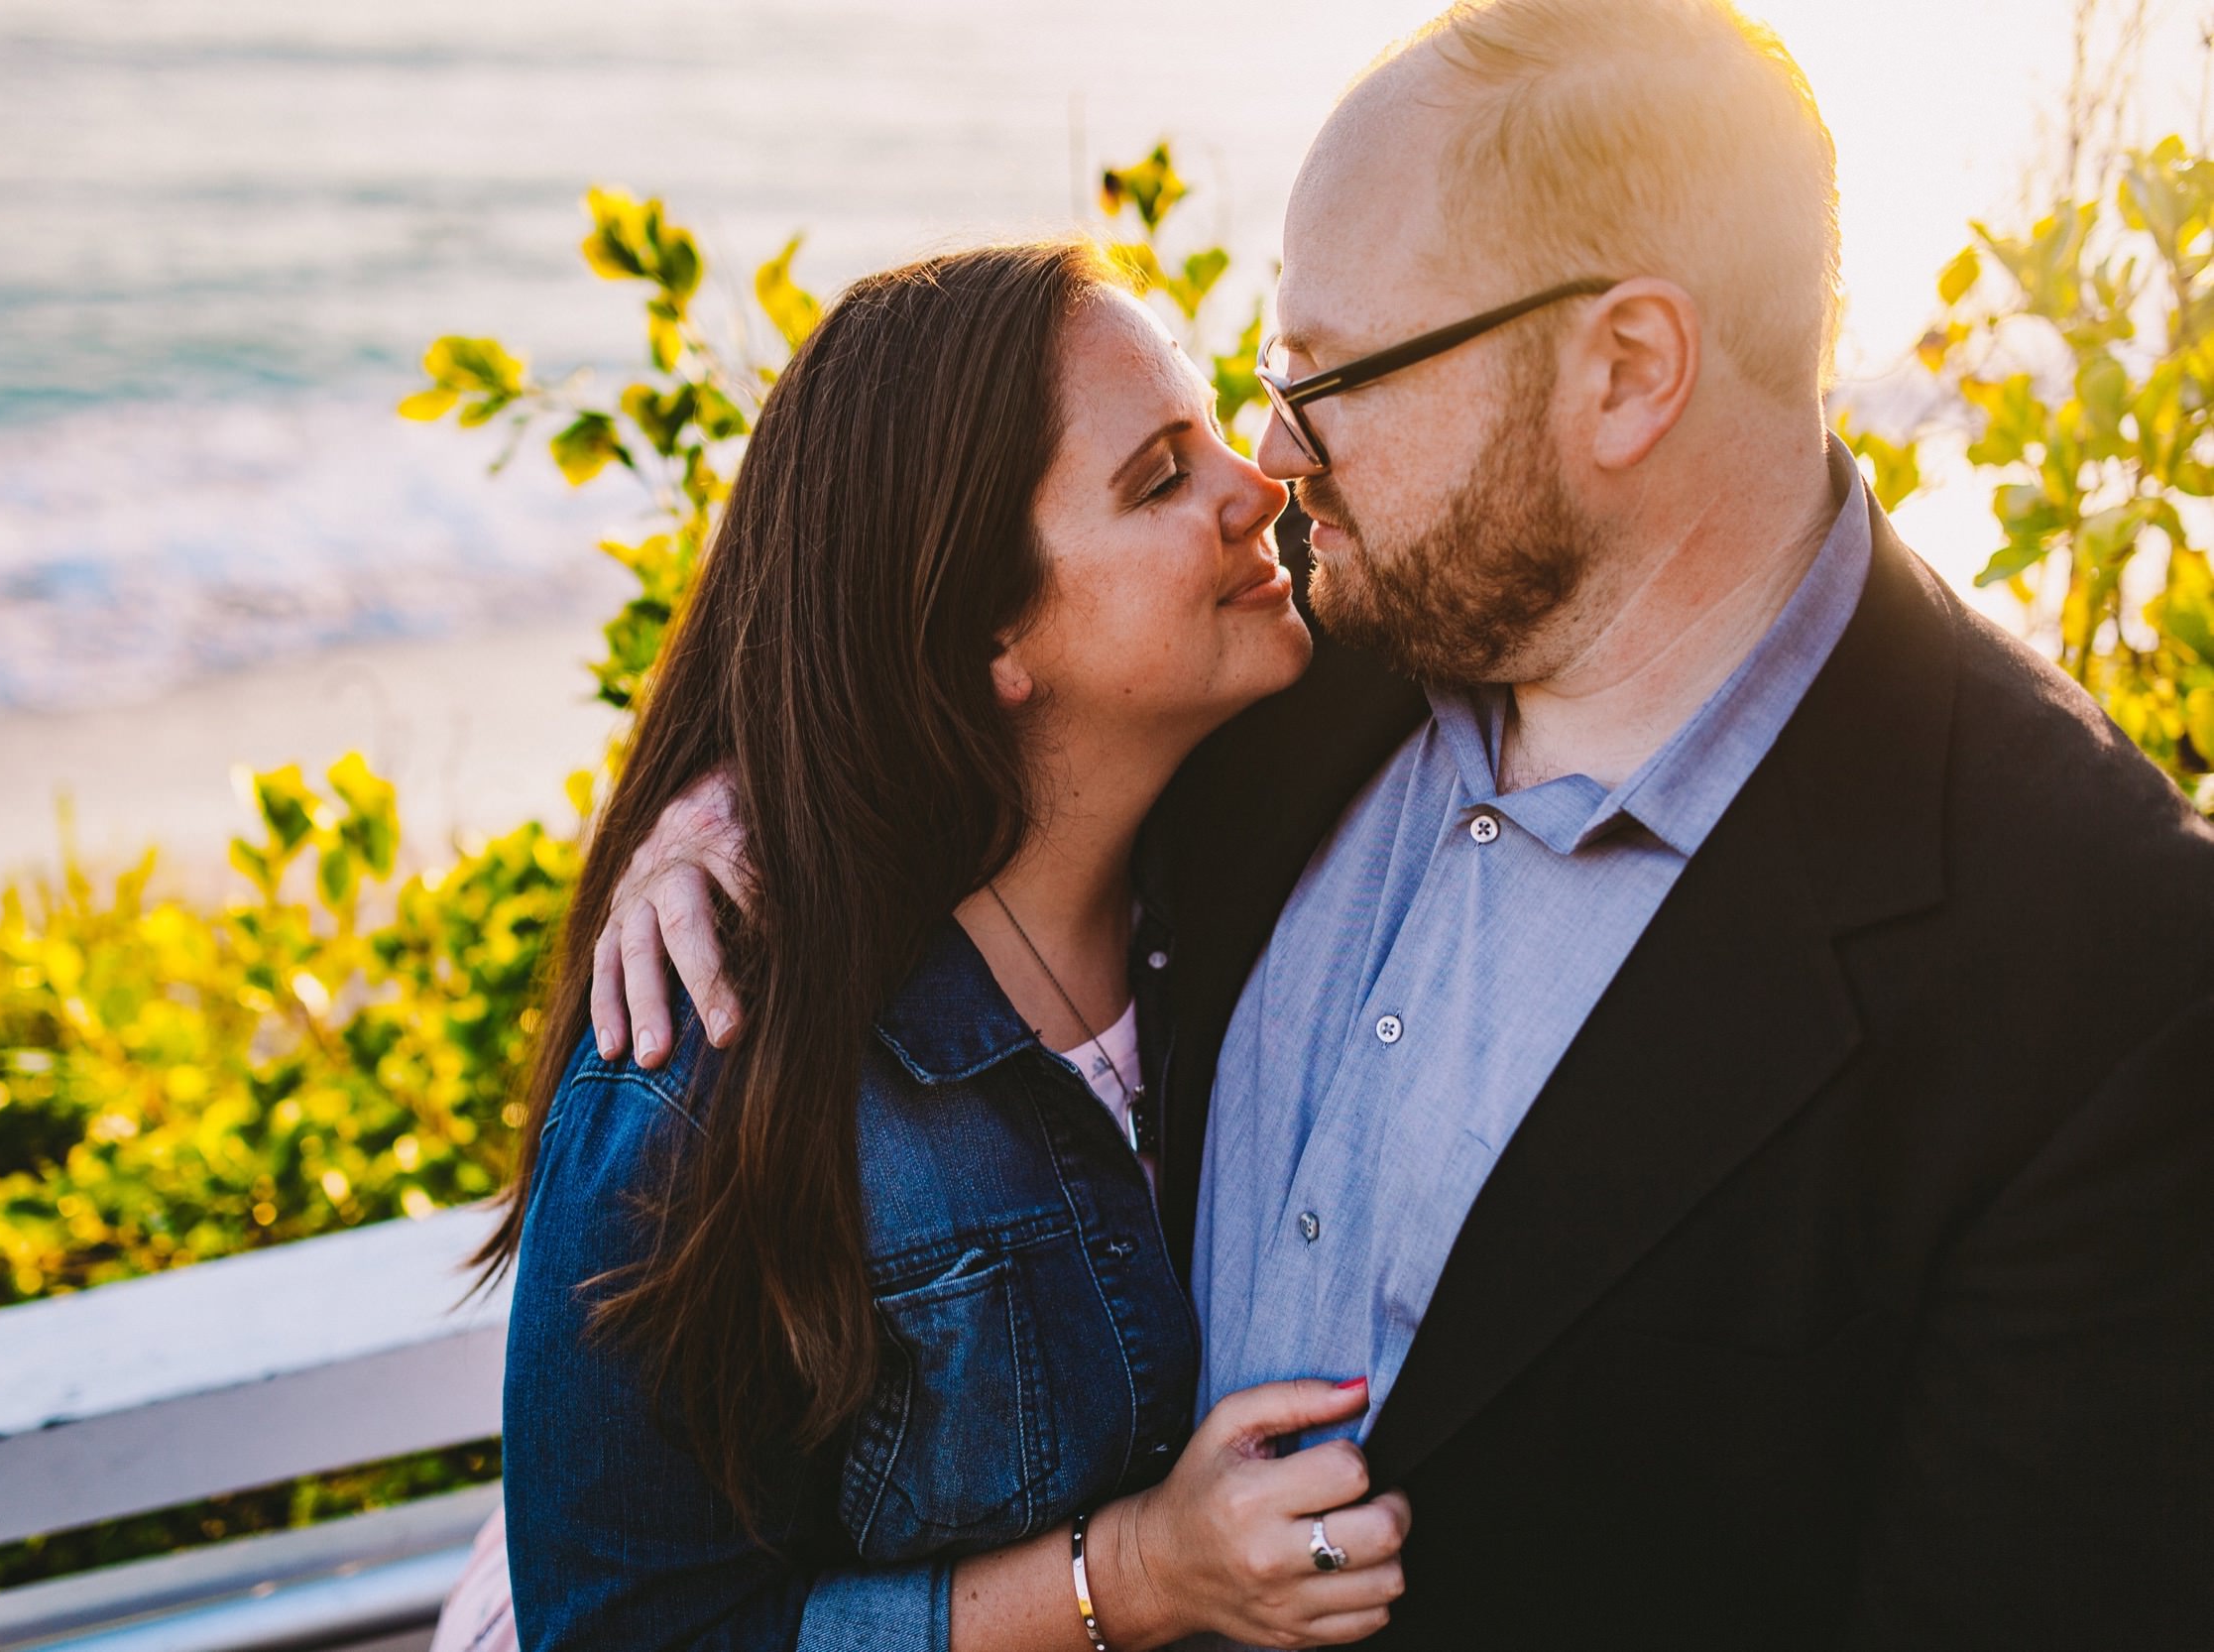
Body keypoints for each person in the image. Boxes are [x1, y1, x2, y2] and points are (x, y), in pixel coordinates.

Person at [590, 2, 2214, 1646]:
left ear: (1628, 370)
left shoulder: (2097, 967)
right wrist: (747, 808)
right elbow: (963, 661)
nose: (1273, 457)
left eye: (1334, 378)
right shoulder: (1294, 650)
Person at [485, 240, 1417, 1652]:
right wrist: (1136, 1576)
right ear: (987, 635)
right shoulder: (708, 1056)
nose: (1260, 483)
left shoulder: (1264, 825)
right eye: (1161, 478)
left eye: (1217, 427)